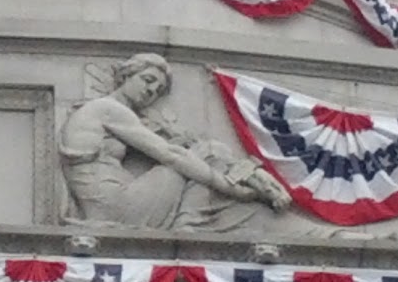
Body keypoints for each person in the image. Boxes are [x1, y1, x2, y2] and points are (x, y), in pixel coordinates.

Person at [59, 52, 294, 230]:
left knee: (208, 152)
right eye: (147, 79)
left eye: (158, 89)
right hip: (116, 210)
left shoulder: (114, 114)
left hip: (108, 208)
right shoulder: (108, 109)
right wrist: (226, 185)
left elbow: (175, 144)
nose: (152, 90)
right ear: (125, 75)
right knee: (202, 154)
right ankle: (190, 222)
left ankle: (249, 183)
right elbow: (171, 154)